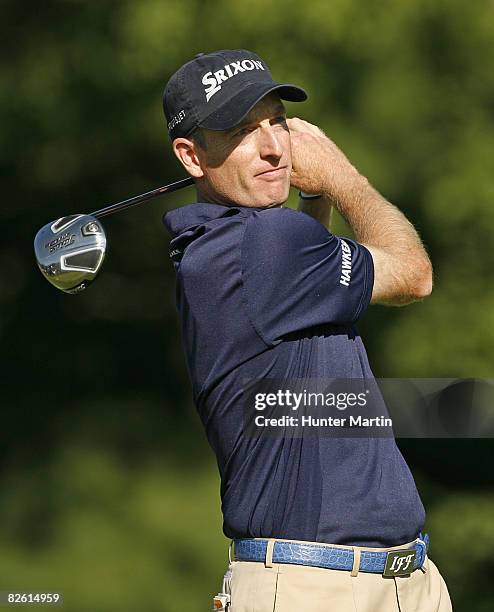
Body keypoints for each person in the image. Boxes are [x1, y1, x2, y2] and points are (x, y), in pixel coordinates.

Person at [162, 49, 452, 612]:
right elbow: (414, 274)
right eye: (242, 131)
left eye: (276, 121)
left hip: (395, 579)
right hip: (315, 588)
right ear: (191, 155)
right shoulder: (262, 245)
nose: (273, 146)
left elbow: (306, 272)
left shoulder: (226, 247)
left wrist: (312, 197)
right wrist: (344, 178)